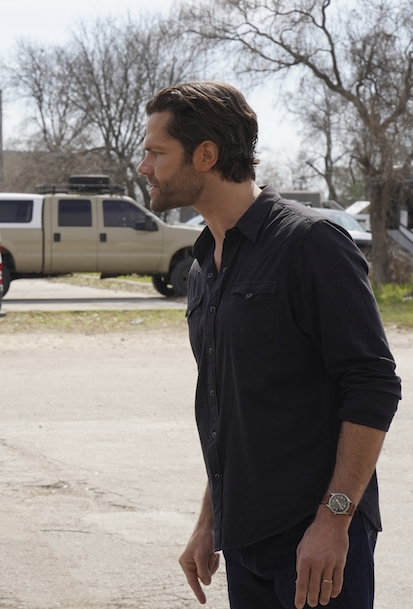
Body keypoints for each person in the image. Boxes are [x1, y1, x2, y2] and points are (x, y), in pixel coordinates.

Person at [136, 81, 401, 608]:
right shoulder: (203, 265)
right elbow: (231, 409)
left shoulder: (310, 243)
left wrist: (334, 521)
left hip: (315, 543)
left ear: (206, 155)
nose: (145, 167)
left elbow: (373, 385)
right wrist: (210, 520)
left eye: (156, 153)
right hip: (244, 540)